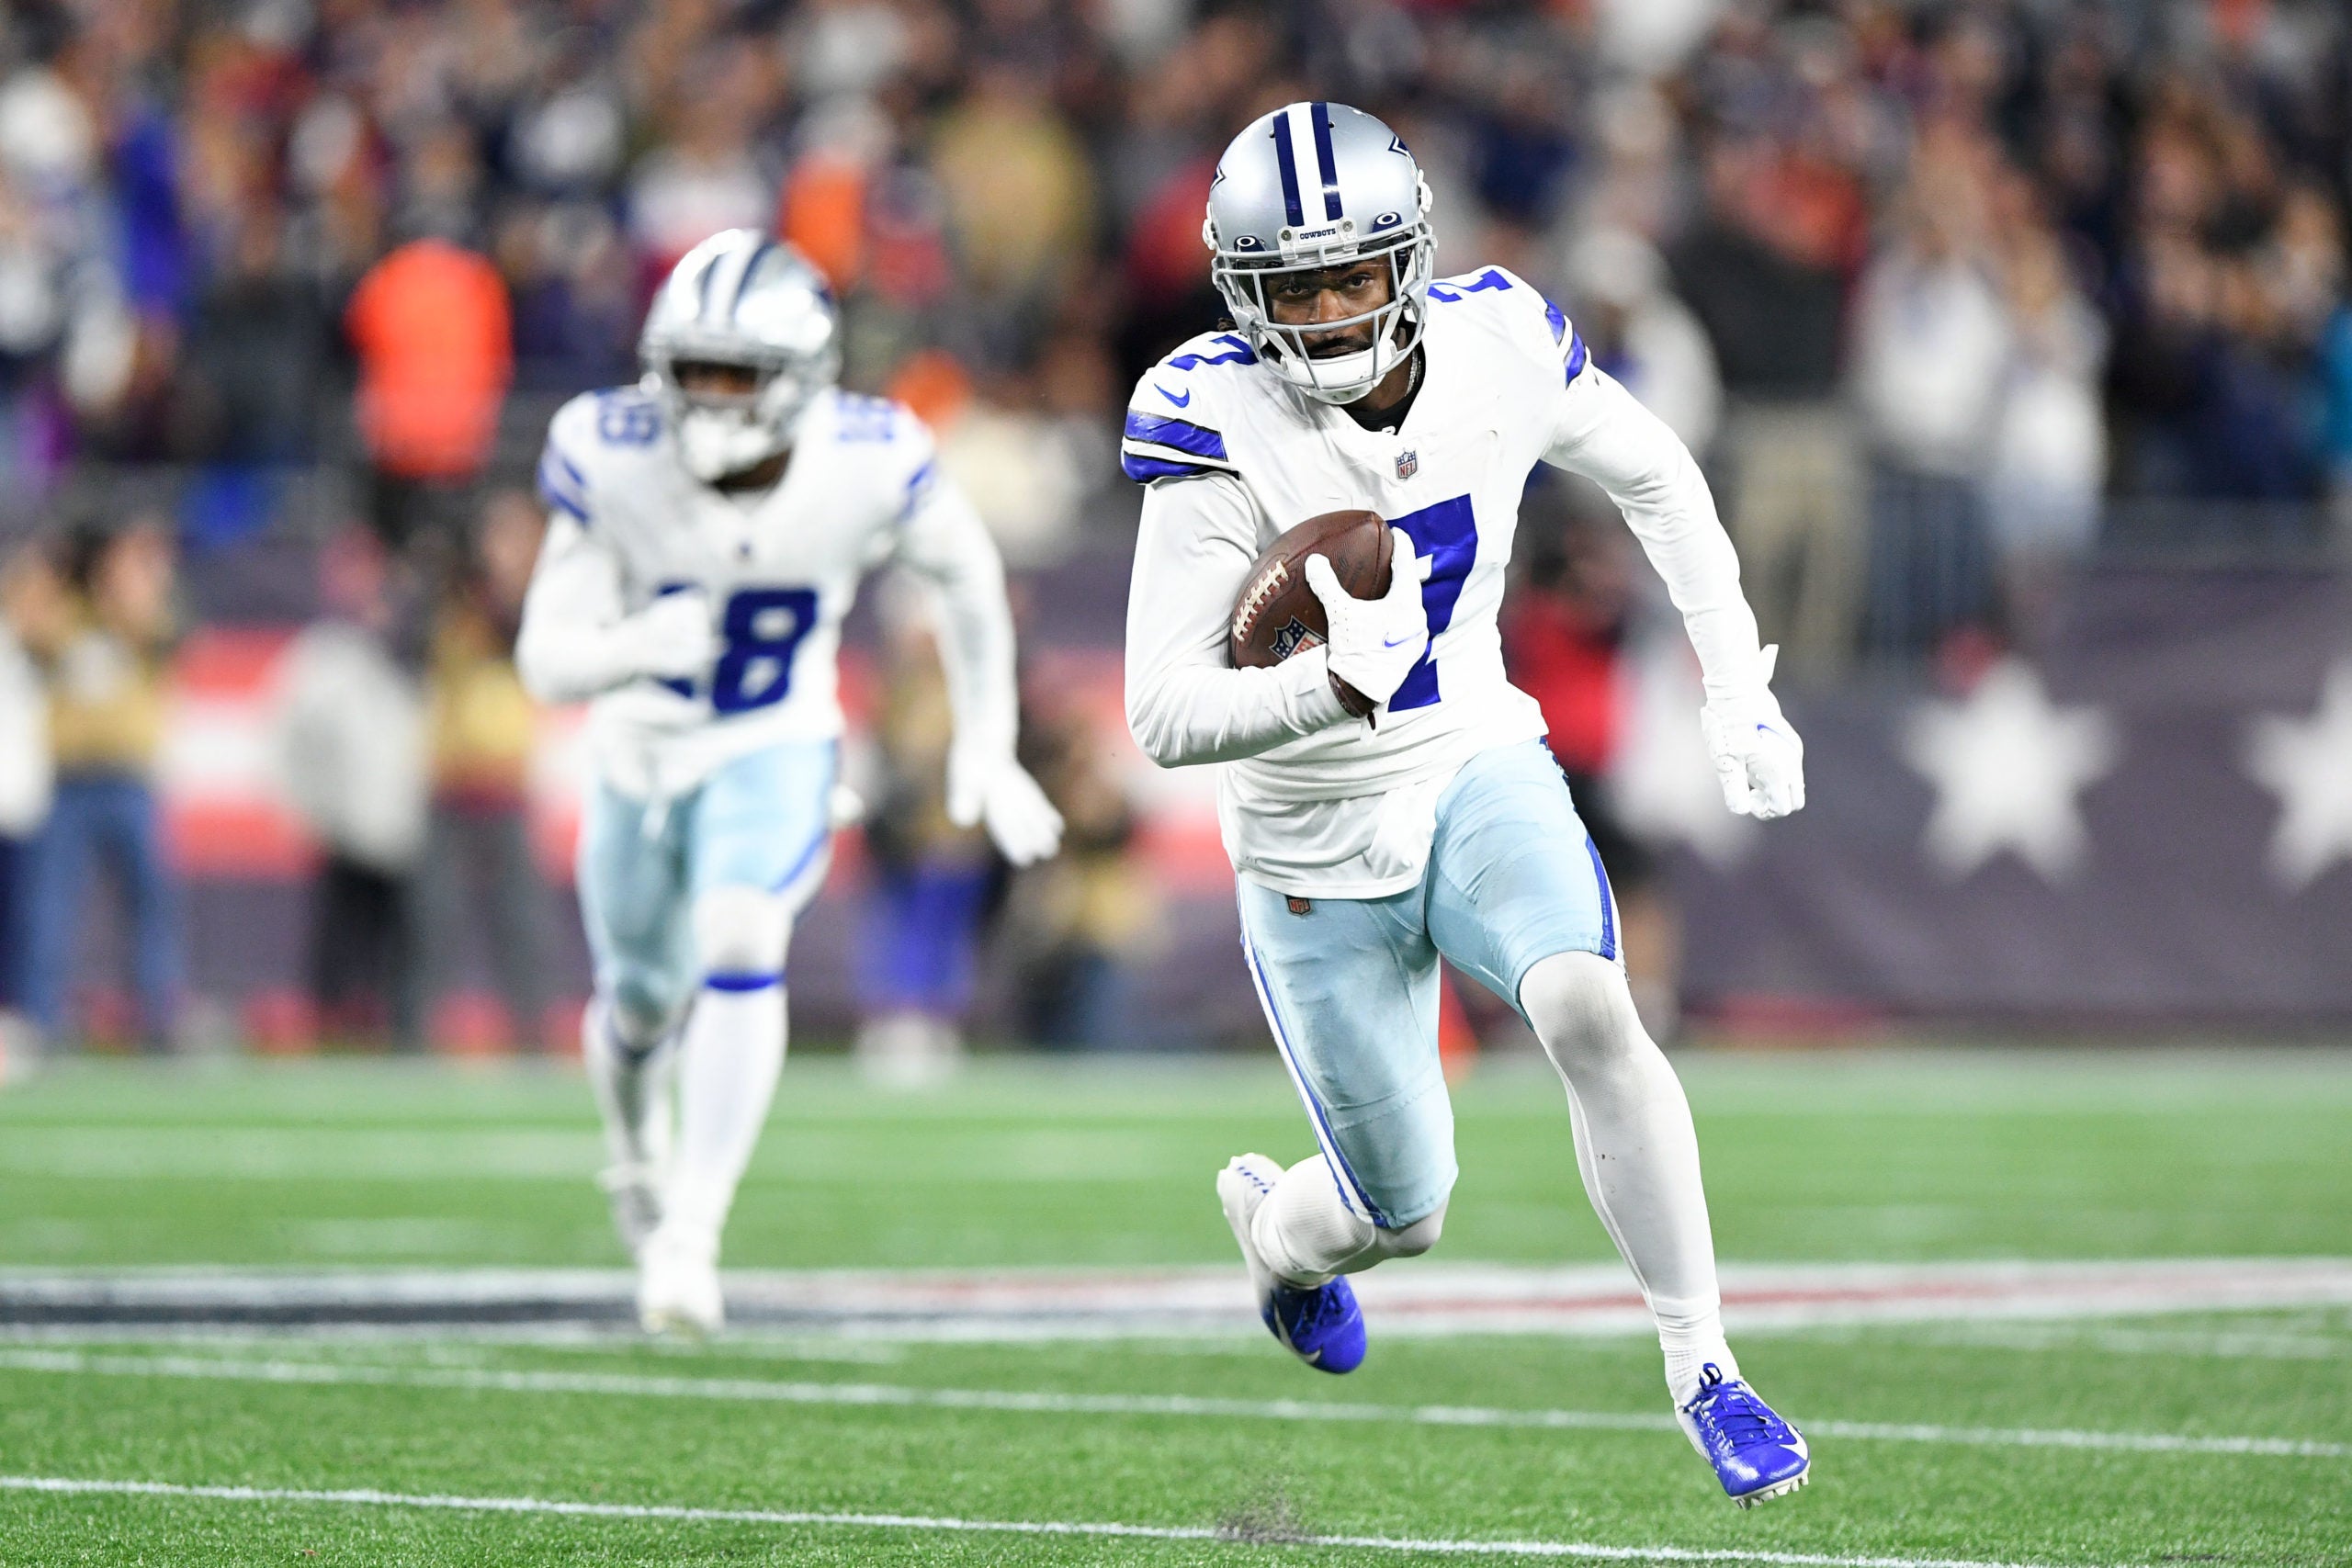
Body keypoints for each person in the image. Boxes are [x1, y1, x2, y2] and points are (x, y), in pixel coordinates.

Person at [1119, 104, 1810, 1508]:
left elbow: (1658, 478)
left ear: (1410, 257)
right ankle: (1278, 1236)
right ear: (1241, 292)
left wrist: (1738, 683)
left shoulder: (1497, 338)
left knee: (1588, 1006)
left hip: (1470, 759)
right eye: (1291, 286)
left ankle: (1705, 1365)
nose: (1323, 312)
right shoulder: (1212, 412)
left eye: (1350, 274)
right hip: (1312, 843)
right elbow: (1164, 712)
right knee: (1400, 1213)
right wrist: (1330, 692)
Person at [515, 230, 1062, 1336]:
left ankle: (692, 1234)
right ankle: (634, 1160)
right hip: (637, 749)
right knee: (637, 1004)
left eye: (739, 374)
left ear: (801, 379)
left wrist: (987, 745)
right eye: (693, 370)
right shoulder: (610, 448)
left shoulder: (870, 454)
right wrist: (634, 647)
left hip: (774, 738)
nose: (710, 398)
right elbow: (543, 657)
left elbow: (968, 580)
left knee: (740, 940)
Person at [17, 517, 182, 1051]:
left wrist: (124, 572)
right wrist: (59, 569)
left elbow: (158, 626)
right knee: (51, 906)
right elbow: (24, 621)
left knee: (150, 903)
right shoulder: (66, 614)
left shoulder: (133, 612)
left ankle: (157, 1021)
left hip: (130, 777)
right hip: (70, 779)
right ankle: (44, 1021)